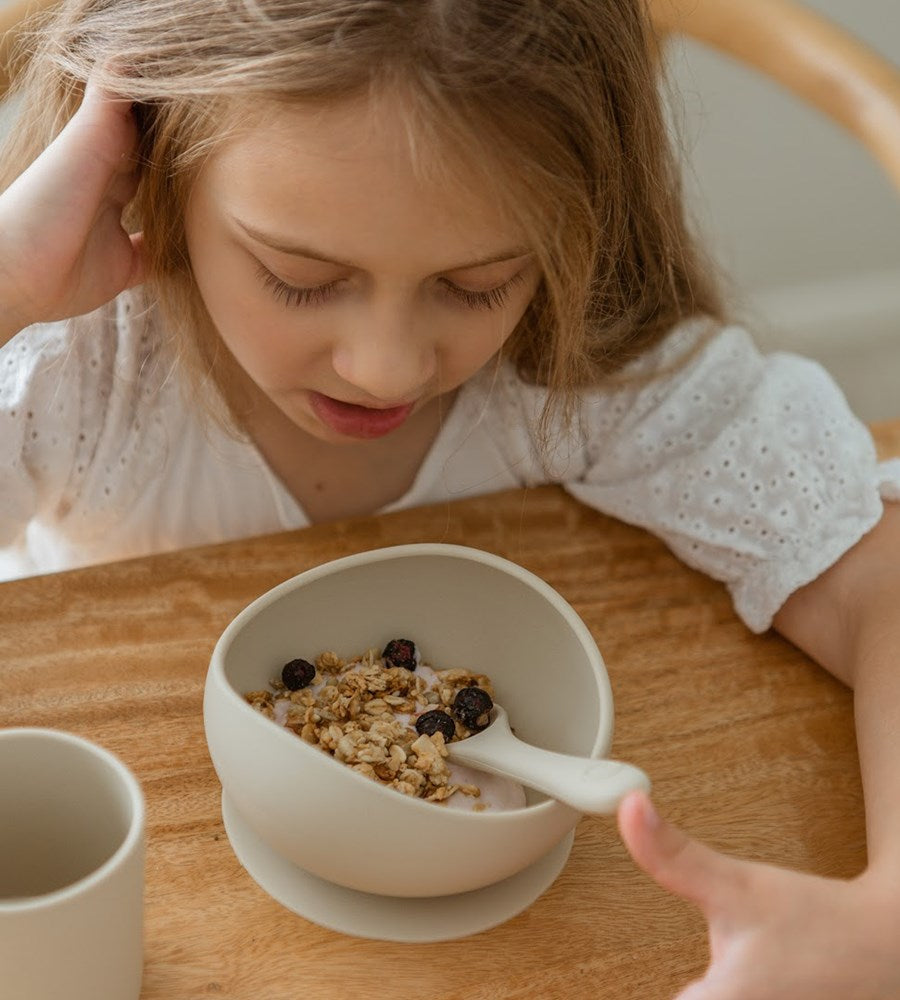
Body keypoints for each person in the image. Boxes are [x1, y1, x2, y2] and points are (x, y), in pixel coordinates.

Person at [1, 0, 898, 995]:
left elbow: (878, 575)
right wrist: (8, 282)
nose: (386, 368)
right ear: (151, 163)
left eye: (477, 283)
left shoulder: (578, 369)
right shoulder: (81, 361)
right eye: (300, 277)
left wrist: (885, 915)